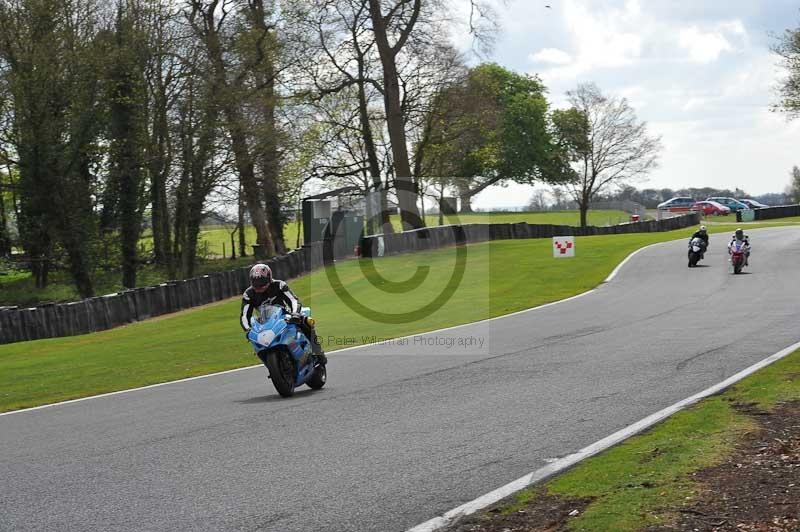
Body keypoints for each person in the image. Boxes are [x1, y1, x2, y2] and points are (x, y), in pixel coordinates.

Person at [240, 263, 327, 365]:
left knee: (306, 321)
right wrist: (248, 329)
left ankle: (318, 351)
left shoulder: (279, 285)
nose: (259, 287)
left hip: (285, 315)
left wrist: (295, 314)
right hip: (265, 322)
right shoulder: (248, 294)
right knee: (256, 341)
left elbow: (293, 300)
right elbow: (245, 315)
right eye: (256, 283)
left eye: (262, 283)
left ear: (269, 278)